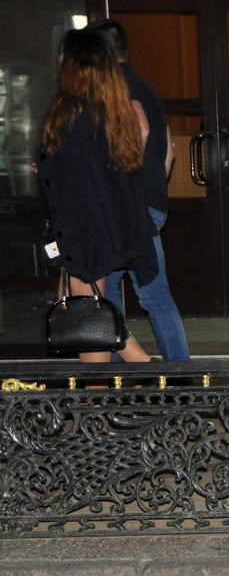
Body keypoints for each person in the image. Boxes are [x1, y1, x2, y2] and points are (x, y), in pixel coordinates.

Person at [36, 29, 159, 364]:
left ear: (77, 65)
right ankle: (158, 381)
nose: (59, 60)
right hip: (100, 233)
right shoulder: (107, 113)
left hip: (86, 236)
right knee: (89, 315)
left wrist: (72, 248)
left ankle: (98, 408)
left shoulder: (76, 117)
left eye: (64, 55)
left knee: (89, 324)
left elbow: (81, 187)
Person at [88, 18, 190, 362]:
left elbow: (122, 149)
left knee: (130, 296)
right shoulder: (146, 88)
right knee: (140, 295)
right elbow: (169, 152)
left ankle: (159, 381)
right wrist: (152, 194)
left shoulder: (110, 93)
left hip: (126, 209)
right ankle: (177, 381)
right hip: (150, 204)